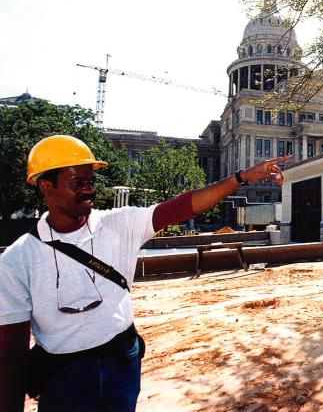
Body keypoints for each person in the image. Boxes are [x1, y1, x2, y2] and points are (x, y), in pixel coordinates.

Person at [0, 135, 291, 412]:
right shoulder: (17, 260)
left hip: (122, 363)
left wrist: (240, 178)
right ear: (46, 187)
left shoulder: (119, 224)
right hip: (65, 379)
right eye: (77, 182)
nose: (89, 190)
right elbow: (11, 357)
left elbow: (182, 206)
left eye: (91, 181)